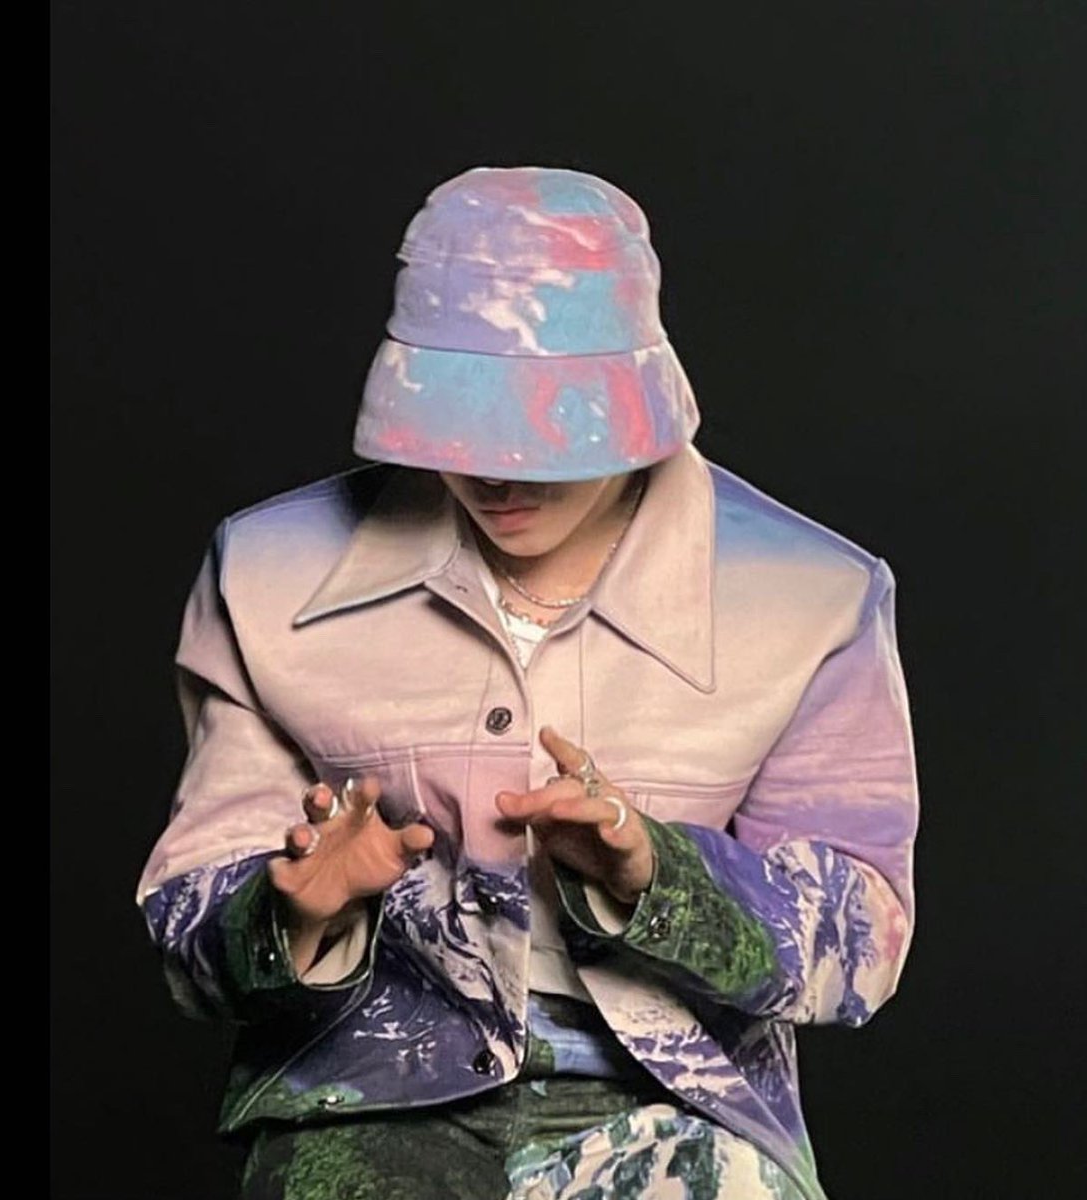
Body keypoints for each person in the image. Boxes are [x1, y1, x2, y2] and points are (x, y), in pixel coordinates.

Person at [135, 166, 919, 1200]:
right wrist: (292, 913)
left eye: (547, 437)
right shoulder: (265, 575)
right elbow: (188, 936)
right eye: (461, 430)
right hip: (362, 1109)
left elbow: (862, 948)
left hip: (683, 1116)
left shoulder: (811, 594)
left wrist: (655, 876)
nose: (497, 476)